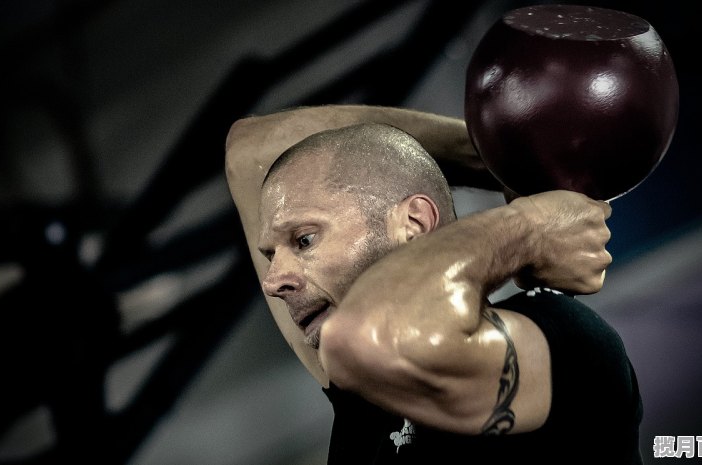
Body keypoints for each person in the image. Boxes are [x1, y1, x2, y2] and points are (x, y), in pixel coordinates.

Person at [224, 104, 643, 464]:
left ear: (415, 225)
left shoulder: (566, 339)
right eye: (270, 256)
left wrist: (529, 229)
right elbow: (251, 149)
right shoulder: (361, 385)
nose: (272, 282)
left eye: (304, 240)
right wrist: (497, 159)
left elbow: (371, 338)